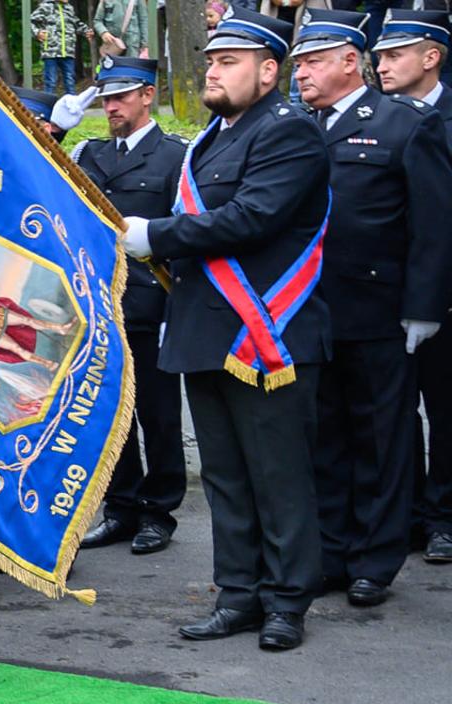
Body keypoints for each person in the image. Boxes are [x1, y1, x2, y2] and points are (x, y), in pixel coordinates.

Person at [120, 10, 331, 651]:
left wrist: (152, 233)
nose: (213, 70)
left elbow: (252, 218)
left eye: (229, 61)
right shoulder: (210, 139)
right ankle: (237, 595)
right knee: (224, 478)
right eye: (210, 60)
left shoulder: (289, 132)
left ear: (270, 71)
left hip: (268, 335)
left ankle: (287, 602)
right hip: (206, 333)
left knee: (279, 475)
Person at [290, 9, 452, 606]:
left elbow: (434, 224)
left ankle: (374, 562)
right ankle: (333, 551)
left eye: (311, 60)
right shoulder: (297, 124)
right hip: (309, 308)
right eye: (298, 61)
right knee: (325, 435)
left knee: (382, 438)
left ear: (348, 62)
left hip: (380, 308)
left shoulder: (403, 122)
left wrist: (424, 307)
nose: (299, 71)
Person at [72, 57, 191, 556]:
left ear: (148, 95)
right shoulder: (87, 153)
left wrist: (178, 310)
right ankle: (119, 507)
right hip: (98, 305)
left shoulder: (176, 155)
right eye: (105, 97)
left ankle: (158, 511)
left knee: (158, 415)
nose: (111, 106)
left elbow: (184, 235)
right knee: (108, 414)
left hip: (151, 303)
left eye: (122, 96)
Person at [377, 8, 452, 565]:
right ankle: (406, 515)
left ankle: (444, 516)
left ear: (432, 58)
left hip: (444, 292)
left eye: (394, 54)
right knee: (393, 412)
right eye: (378, 55)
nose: (382, 65)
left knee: (446, 411)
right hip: (384, 292)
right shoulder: (375, 116)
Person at [32, 0, 87, 95]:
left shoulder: (69, 8)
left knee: (70, 80)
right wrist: (37, 32)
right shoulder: (46, 6)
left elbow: (76, 23)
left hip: (67, 50)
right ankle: (49, 107)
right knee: (51, 81)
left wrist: (86, 31)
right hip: (51, 51)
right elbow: (31, 21)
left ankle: (71, 106)